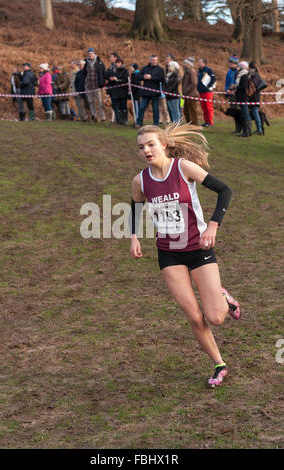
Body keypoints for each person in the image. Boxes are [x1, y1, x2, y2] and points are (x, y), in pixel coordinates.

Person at [129, 122, 241, 388]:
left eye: (150, 144)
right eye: (141, 147)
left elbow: (225, 191)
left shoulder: (184, 168)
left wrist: (213, 225)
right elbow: (135, 208)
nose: (146, 150)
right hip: (169, 254)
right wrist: (133, 236)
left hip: (198, 249)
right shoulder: (140, 181)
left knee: (215, 317)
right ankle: (219, 364)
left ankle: (224, 297)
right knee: (193, 315)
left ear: (163, 144)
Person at [136, 54, 165, 127]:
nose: (154, 61)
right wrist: (143, 77)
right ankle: (139, 122)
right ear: (149, 60)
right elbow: (138, 76)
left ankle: (156, 123)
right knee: (142, 107)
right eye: (153, 60)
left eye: (155, 60)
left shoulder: (160, 69)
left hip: (155, 92)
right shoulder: (145, 68)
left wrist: (151, 77)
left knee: (155, 109)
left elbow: (161, 78)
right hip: (145, 92)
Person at [82, 47, 106, 122]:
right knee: (91, 102)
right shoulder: (85, 62)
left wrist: (103, 84)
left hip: (97, 85)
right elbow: (84, 73)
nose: (90, 55)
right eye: (89, 54)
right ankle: (94, 116)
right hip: (89, 85)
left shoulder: (99, 62)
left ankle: (103, 117)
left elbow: (103, 73)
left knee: (99, 102)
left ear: (94, 53)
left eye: (91, 53)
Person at [229, 61, 252, 138]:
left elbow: (243, 87)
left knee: (245, 115)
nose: (237, 68)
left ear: (242, 68)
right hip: (241, 97)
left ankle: (246, 132)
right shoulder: (241, 75)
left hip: (243, 98)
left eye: (238, 67)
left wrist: (235, 87)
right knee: (244, 114)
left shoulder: (244, 75)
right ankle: (248, 131)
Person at [106, 56, 129, 125]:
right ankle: (119, 120)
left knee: (123, 106)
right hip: (115, 91)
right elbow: (108, 77)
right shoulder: (113, 70)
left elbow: (126, 80)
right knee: (116, 106)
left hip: (123, 91)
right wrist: (111, 78)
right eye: (116, 63)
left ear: (121, 63)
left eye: (118, 63)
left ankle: (125, 120)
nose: (117, 64)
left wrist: (118, 80)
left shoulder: (125, 70)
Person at [197, 58, 216, 127]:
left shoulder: (209, 70)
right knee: (204, 107)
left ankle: (210, 122)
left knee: (208, 107)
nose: (198, 63)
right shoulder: (199, 70)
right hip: (201, 92)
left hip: (207, 92)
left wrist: (208, 86)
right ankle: (206, 121)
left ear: (203, 63)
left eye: (199, 62)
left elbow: (213, 79)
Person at [225, 55, 240, 133]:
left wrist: (235, 91)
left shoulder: (238, 71)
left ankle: (243, 128)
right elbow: (227, 82)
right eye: (229, 62)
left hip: (237, 94)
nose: (230, 64)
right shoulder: (229, 71)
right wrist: (226, 90)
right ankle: (237, 128)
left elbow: (239, 83)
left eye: (231, 63)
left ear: (235, 64)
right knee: (234, 112)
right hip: (231, 94)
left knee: (240, 112)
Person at [248, 62, 263, 135]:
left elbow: (253, 86)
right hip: (253, 97)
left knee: (255, 113)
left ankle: (259, 130)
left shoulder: (255, 75)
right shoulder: (254, 74)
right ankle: (258, 129)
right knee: (255, 113)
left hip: (255, 97)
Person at [182, 57, 198, 125]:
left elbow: (194, 83)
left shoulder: (192, 71)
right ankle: (189, 125)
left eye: (185, 63)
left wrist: (186, 90)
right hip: (187, 94)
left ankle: (194, 126)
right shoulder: (186, 72)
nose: (183, 64)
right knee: (186, 111)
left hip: (191, 94)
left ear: (189, 64)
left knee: (192, 111)